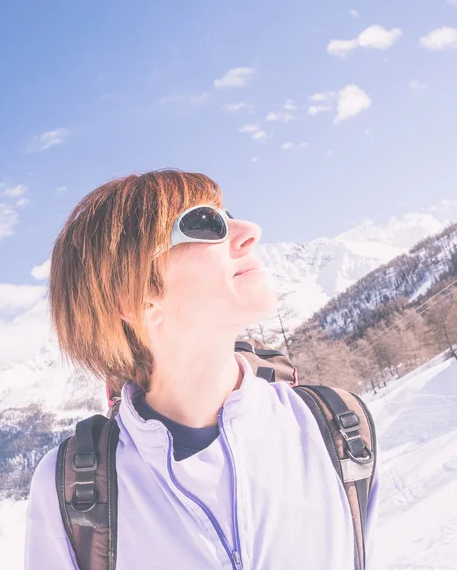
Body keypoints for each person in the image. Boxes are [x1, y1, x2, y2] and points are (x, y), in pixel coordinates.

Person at [25, 169, 380, 569]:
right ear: (137, 299)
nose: (250, 230)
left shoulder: (335, 426)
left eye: (229, 215)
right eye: (205, 223)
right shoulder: (74, 493)